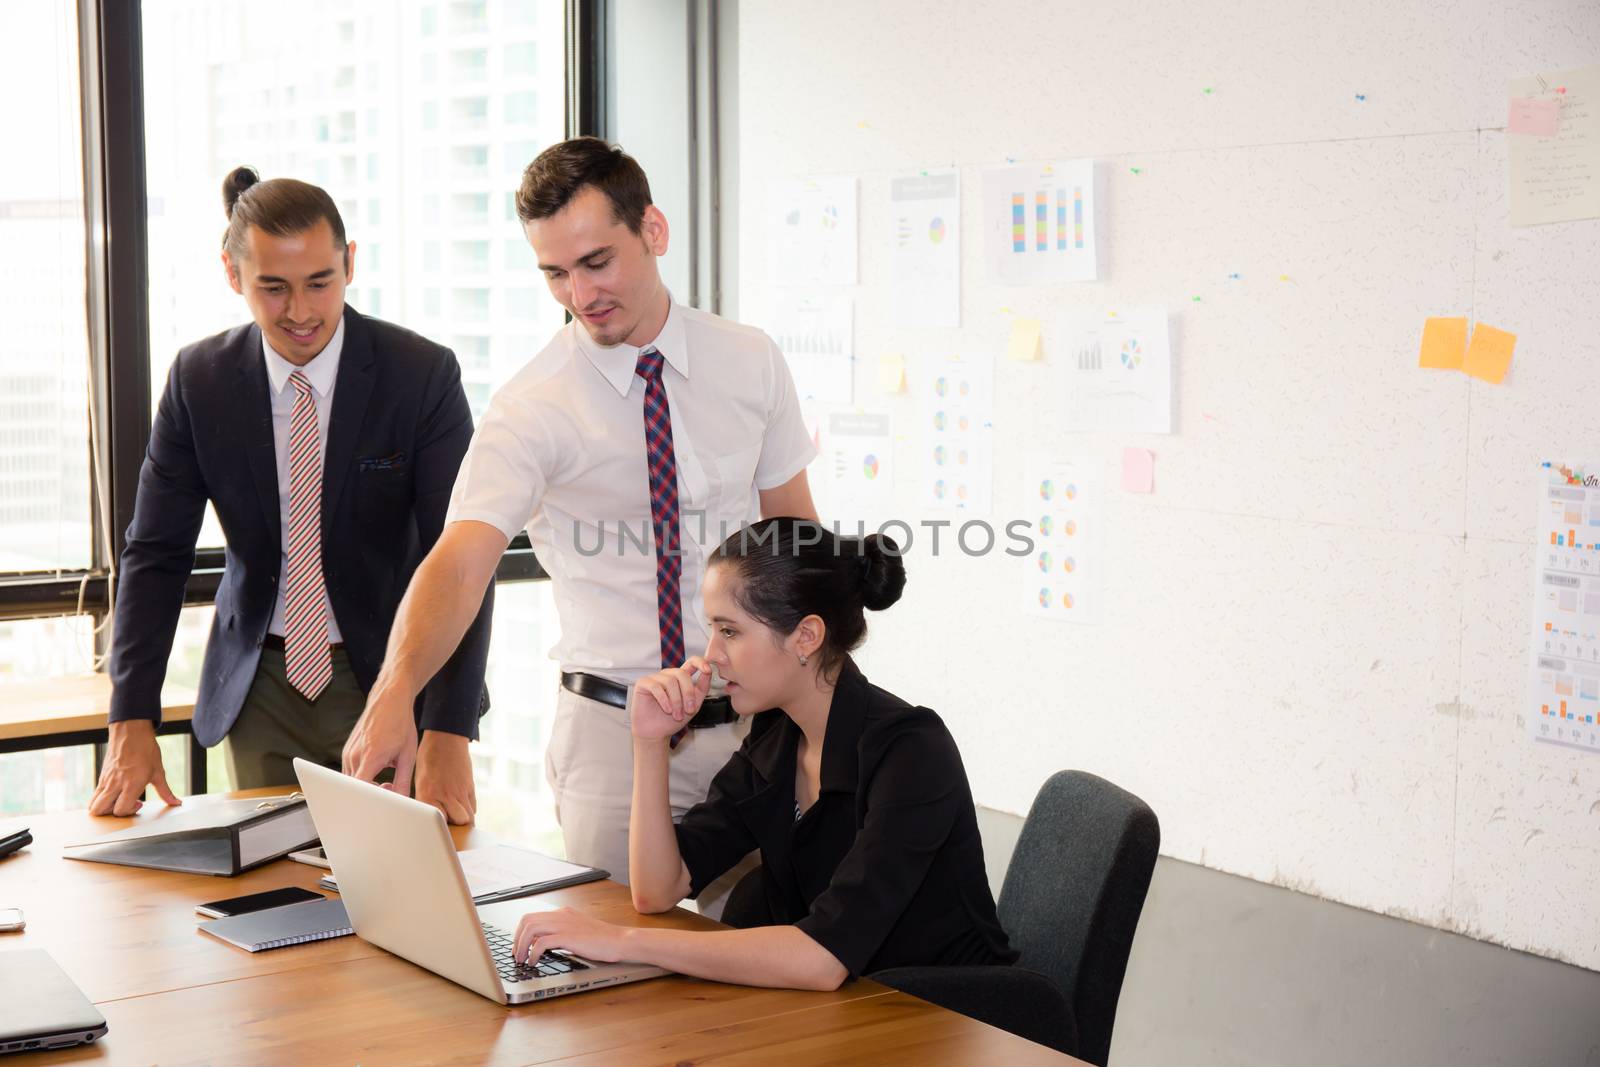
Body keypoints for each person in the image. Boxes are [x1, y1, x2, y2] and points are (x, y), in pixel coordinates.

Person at [340, 138, 818, 909]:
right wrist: (396, 691)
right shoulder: (533, 405)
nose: (579, 293)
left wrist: (828, 708)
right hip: (612, 744)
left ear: (654, 230)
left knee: (768, 981)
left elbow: (797, 537)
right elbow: (460, 563)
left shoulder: (750, 361)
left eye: (597, 261)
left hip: (757, 731)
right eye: (555, 274)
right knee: (624, 998)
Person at [92, 167, 492, 821]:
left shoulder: (421, 375)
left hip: (393, 677)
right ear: (233, 274)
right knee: (268, 900)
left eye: (319, 283)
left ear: (350, 263)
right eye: (273, 288)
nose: (300, 312)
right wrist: (131, 713)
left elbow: (464, 554)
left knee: (397, 897)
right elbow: (155, 554)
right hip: (260, 686)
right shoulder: (201, 380)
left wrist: (449, 725)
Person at [508, 519, 1018, 990]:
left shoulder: (910, 750)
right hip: (850, 1011)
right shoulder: (776, 736)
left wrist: (620, 943)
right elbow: (659, 889)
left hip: (953, 1021)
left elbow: (821, 957)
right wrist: (649, 743)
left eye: (729, 630)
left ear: (806, 637)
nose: (710, 655)